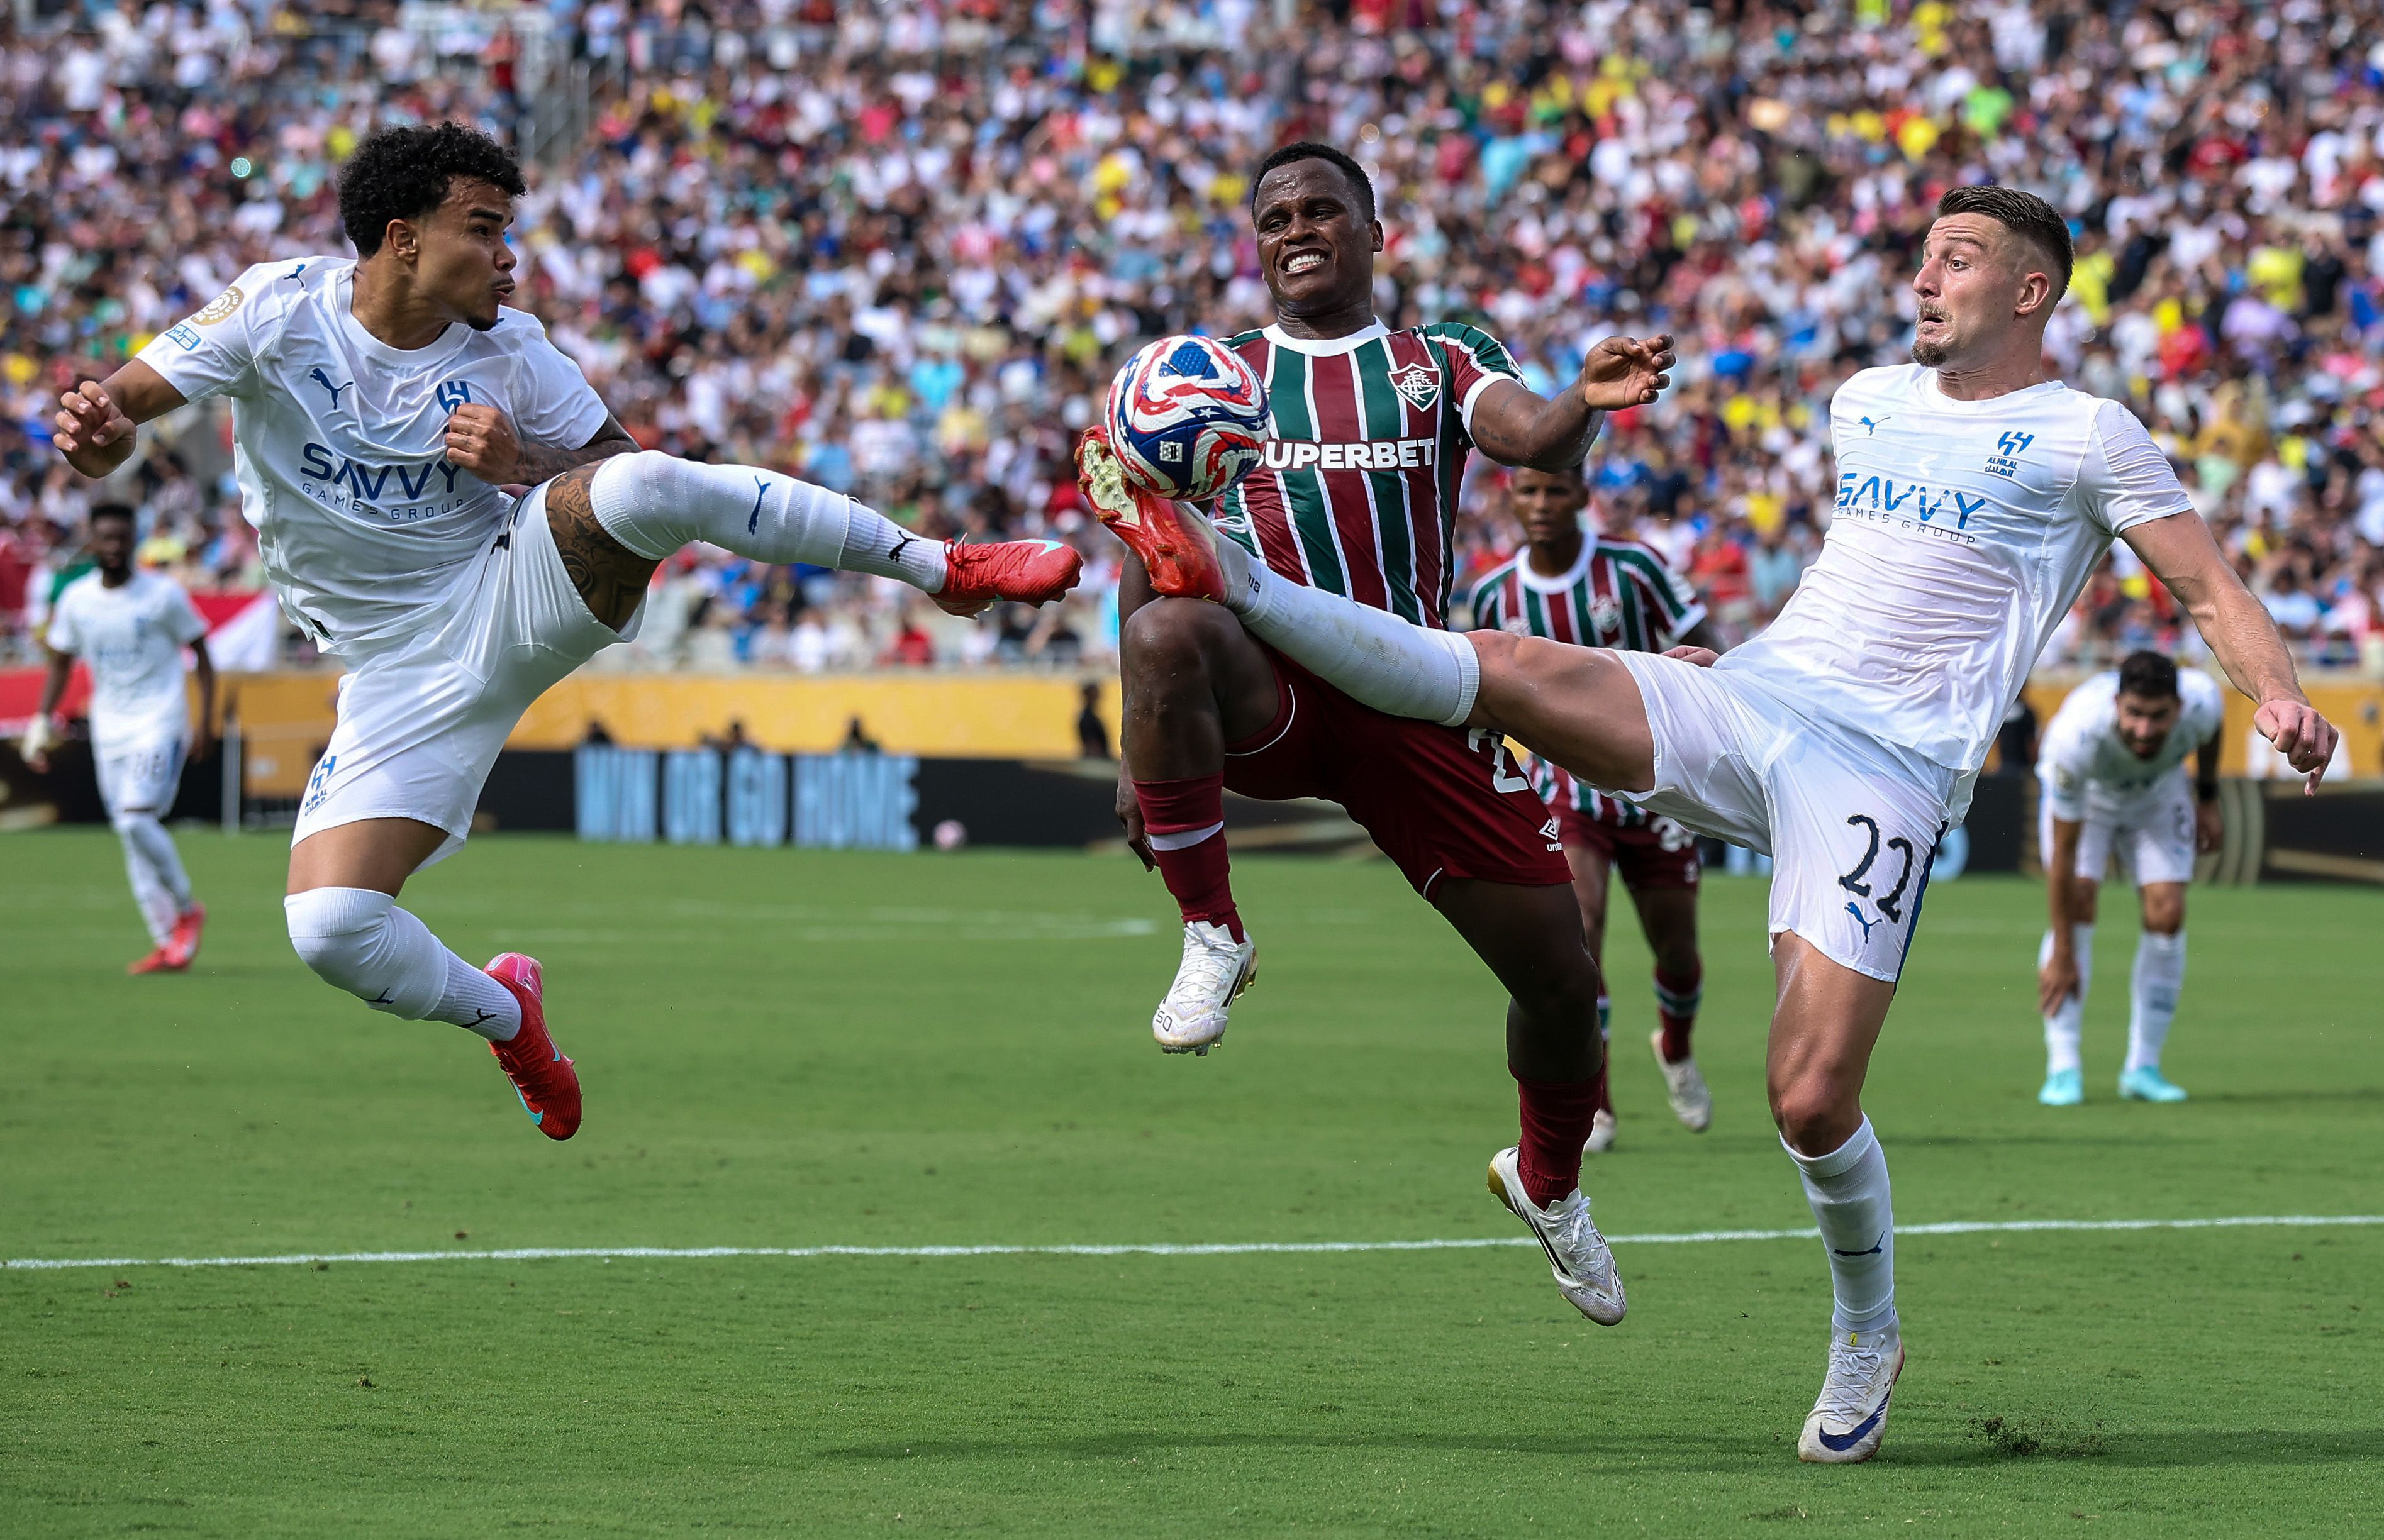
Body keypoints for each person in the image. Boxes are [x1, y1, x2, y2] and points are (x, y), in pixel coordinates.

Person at [1091, 184, 2337, 1464]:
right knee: (1507, 662)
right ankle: (1235, 581)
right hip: (1754, 700)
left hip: (1886, 776)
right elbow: (1855, 588)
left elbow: (2204, 586)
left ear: (2028, 292)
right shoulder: (1865, 400)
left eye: (1954, 261)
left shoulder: (2088, 435)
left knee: (1804, 1100)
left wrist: (2280, 697)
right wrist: (1724, 661)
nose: (1923, 279)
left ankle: (1866, 1328)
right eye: (1919, 258)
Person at [50, 122, 1080, 1141]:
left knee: (646, 482)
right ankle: (511, 1017)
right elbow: (125, 411)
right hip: (394, 676)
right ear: (404, 238)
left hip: (509, 591)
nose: (509, 255)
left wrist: (521, 456)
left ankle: (940, 567)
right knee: (329, 929)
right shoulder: (278, 309)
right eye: (484, 227)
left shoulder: (513, 350)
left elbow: (612, 464)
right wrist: (97, 440)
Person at [1088, 141, 1679, 1329]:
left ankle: (1549, 1184)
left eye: (1323, 210)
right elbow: (1151, 556)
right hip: (1276, 691)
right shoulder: (1212, 375)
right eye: (1276, 216)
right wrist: (1134, 749)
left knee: (1560, 984)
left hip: (1415, 697)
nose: (1297, 229)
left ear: (1375, 233)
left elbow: (1526, 436)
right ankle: (1215, 931)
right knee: (1164, 640)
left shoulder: (1435, 356)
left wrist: (1580, 404)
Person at [1467, 465, 1723, 1151]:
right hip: (1567, 793)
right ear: (1511, 500)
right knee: (1582, 934)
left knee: (1678, 952)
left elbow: (1707, 641)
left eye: (1556, 491)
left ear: (1582, 497)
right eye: (1528, 492)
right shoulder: (1496, 595)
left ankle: (1674, 1044)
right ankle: (1598, 1104)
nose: (1542, 504)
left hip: (1659, 786)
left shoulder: (1632, 567)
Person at [21, 503, 214, 973]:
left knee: (134, 820)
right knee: (132, 837)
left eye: (122, 539)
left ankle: (188, 908)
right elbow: (62, 661)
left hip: (159, 722)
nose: (114, 547)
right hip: (110, 729)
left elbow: (202, 655)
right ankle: (170, 943)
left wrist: (205, 722)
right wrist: (42, 719)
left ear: (135, 541)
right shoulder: (77, 600)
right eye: (105, 539)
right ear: (92, 541)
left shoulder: (163, 595)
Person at [2035, 650, 2224, 1106]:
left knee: (2168, 913)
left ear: (2179, 708)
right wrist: (2062, 950)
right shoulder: (2074, 739)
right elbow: (2063, 854)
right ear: (2117, 703)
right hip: (2091, 802)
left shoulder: (2204, 702)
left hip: (2158, 796)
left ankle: (2143, 1067)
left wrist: (2208, 798)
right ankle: (2064, 1068)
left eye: (2159, 717)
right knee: (2079, 901)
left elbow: (2212, 734)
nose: (2145, 730)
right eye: (2134, 714)